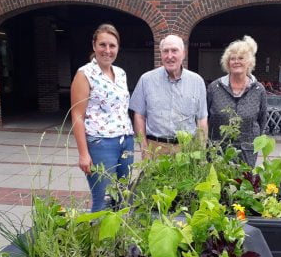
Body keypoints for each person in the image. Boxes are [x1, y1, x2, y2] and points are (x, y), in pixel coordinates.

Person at [70, 24, 134, 212]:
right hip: (101, 144)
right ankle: (100, 240)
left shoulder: (121, 73)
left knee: (123, 197)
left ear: (118, 48)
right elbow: (77, 115)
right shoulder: (84, 74)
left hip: (126, 141)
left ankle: (119, 240)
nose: (107, 50)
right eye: (103, 45)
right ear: (94, 45)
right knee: (103, 200)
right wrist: (83, 153)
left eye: (112, 46)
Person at [129, 34, 208, 154]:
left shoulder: (197, 82)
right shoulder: (146, 80)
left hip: (187, 150)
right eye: (165, 51)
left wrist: (200, 152)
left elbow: (202, 119)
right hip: (155, 148)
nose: (169, 56)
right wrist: (144, 149)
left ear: (183, 53)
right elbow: (139, 116)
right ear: (161, 54)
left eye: (174, 51)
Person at [206, 35, 267, 165]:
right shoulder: (214, 88)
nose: (236, 61)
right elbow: (205, 117)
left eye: (240, 58)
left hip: (246, 152)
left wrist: (254, 144)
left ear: (249, 62)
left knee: (244, 183)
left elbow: (262, 121)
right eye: (232, 58)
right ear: (227, 63)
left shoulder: (258, 90)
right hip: (218, 151)